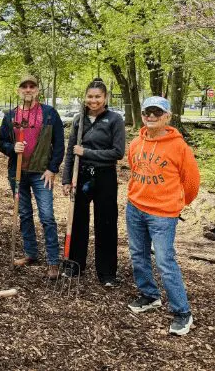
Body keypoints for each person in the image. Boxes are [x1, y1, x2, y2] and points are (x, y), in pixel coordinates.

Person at [125, 96, 200, 336]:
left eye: (157, 112)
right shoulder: (136, 143)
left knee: (165, 262)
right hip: (135, 207)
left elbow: (192, 182)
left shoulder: (179, 146)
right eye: (148, 111)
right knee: (138, 255)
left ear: (167, 116)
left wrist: (177, 203)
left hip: (163, 215)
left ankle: (182, 312)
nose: (151, 116)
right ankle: (149, 295)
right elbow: (134, 169)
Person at [0, 75, 64, 279]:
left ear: (37, 90)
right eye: (24, 87)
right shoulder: (11, 116)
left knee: (47, 216)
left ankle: (53, 261)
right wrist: (11, 147)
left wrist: (52, 169)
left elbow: (60, 144)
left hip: (41, 172)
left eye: (31, 86)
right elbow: (1, 142)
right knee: (24, 214)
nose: (28, 90)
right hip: (17, 173)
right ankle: (31, 253)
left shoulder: (49, 113)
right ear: (19, 90)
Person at [62, 78, 125, 286]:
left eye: (98, 96)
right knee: (78, 220)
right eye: (90, 96)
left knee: (105, 222)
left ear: (105, 98)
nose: (94, 100)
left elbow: (118, 152)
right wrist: (66, 179)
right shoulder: (79, 120)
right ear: (85, 97)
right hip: (81, 175)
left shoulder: (115, 119)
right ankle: (75, 264)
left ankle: (107, 272)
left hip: (104, 176)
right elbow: (71, 151)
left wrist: (87, 152)